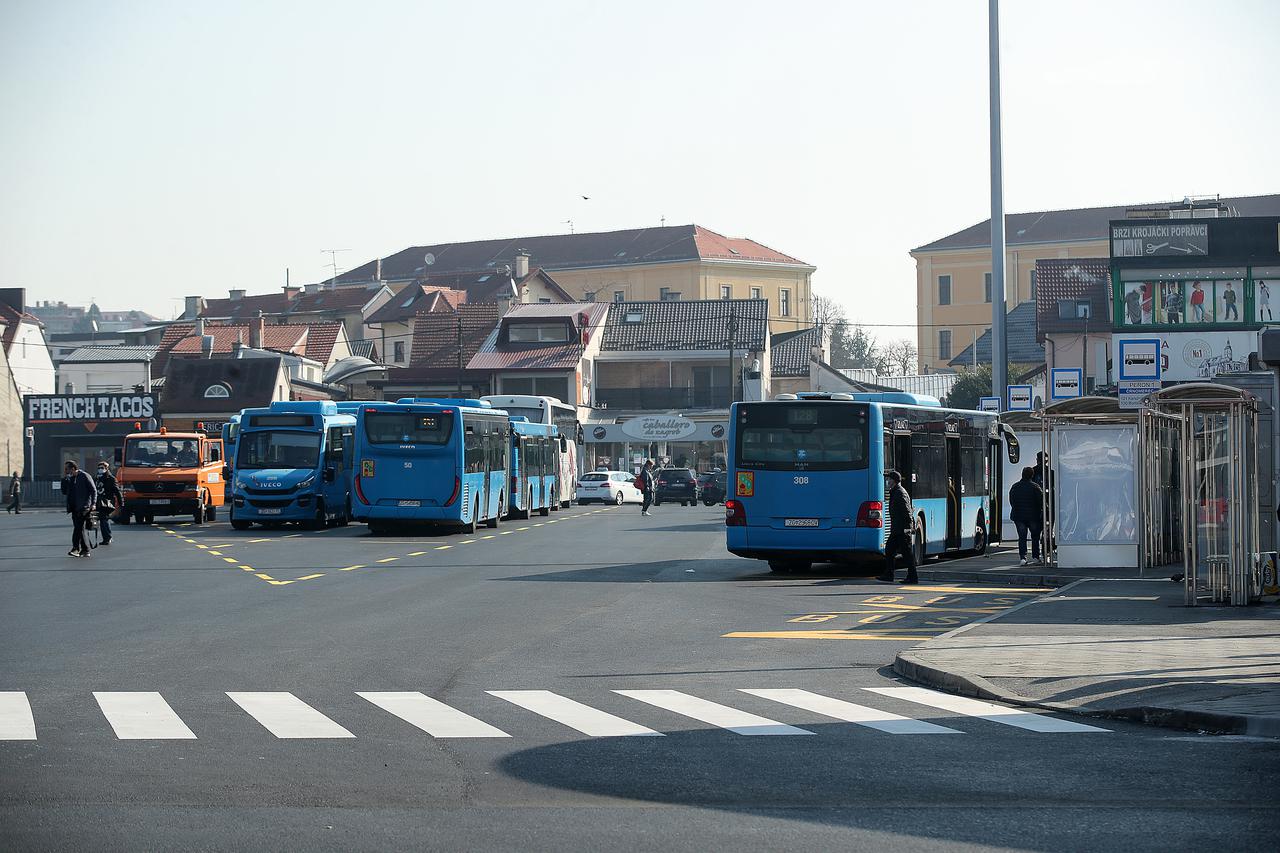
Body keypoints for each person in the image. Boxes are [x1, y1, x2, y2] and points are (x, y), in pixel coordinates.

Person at [877, 469, 918, 585]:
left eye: (889, 479)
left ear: (894, 481)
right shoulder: (895, 492)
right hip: (897, 529)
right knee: (889, 550)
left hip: (902, 529)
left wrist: (908, 530)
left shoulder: (900, 493)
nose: (887, 481)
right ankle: (889, 574)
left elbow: (907, 512)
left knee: (907, 553)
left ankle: (913, 577)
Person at [1008, 466, 1044, 565]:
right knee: (1035, 536)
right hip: (1033, 516)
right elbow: (1041, 502)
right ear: (1032, 475)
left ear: (1022, 474)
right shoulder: (1036, 487)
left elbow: (1012, 501)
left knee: (1022, 537)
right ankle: (1036, 557)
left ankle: (1023, 558)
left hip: (1018, 516)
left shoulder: (1015, 486)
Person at [63, 461, 97, 558]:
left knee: (78, 528)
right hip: (74, 507)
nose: (65, 471)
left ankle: (75, 548)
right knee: (80, 529)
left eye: (67, 469)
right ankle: (85, 550)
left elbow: (93, 490)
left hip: (84, 507)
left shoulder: (85, 476)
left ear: (73, 468)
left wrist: (93, 503)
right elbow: (64, 491)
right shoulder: (70, 478)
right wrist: (65, 479)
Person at [95, 462, 123, 546]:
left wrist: (121, 503)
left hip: (107, 501)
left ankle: (107, 538)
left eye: (102, 467)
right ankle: (107, 537)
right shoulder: (97, 478)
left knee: (104, 519)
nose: (100, 469)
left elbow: (117, 492)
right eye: (99, 467)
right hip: (99, 501)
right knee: (103, 519)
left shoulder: (111, 478)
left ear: (107, 468)